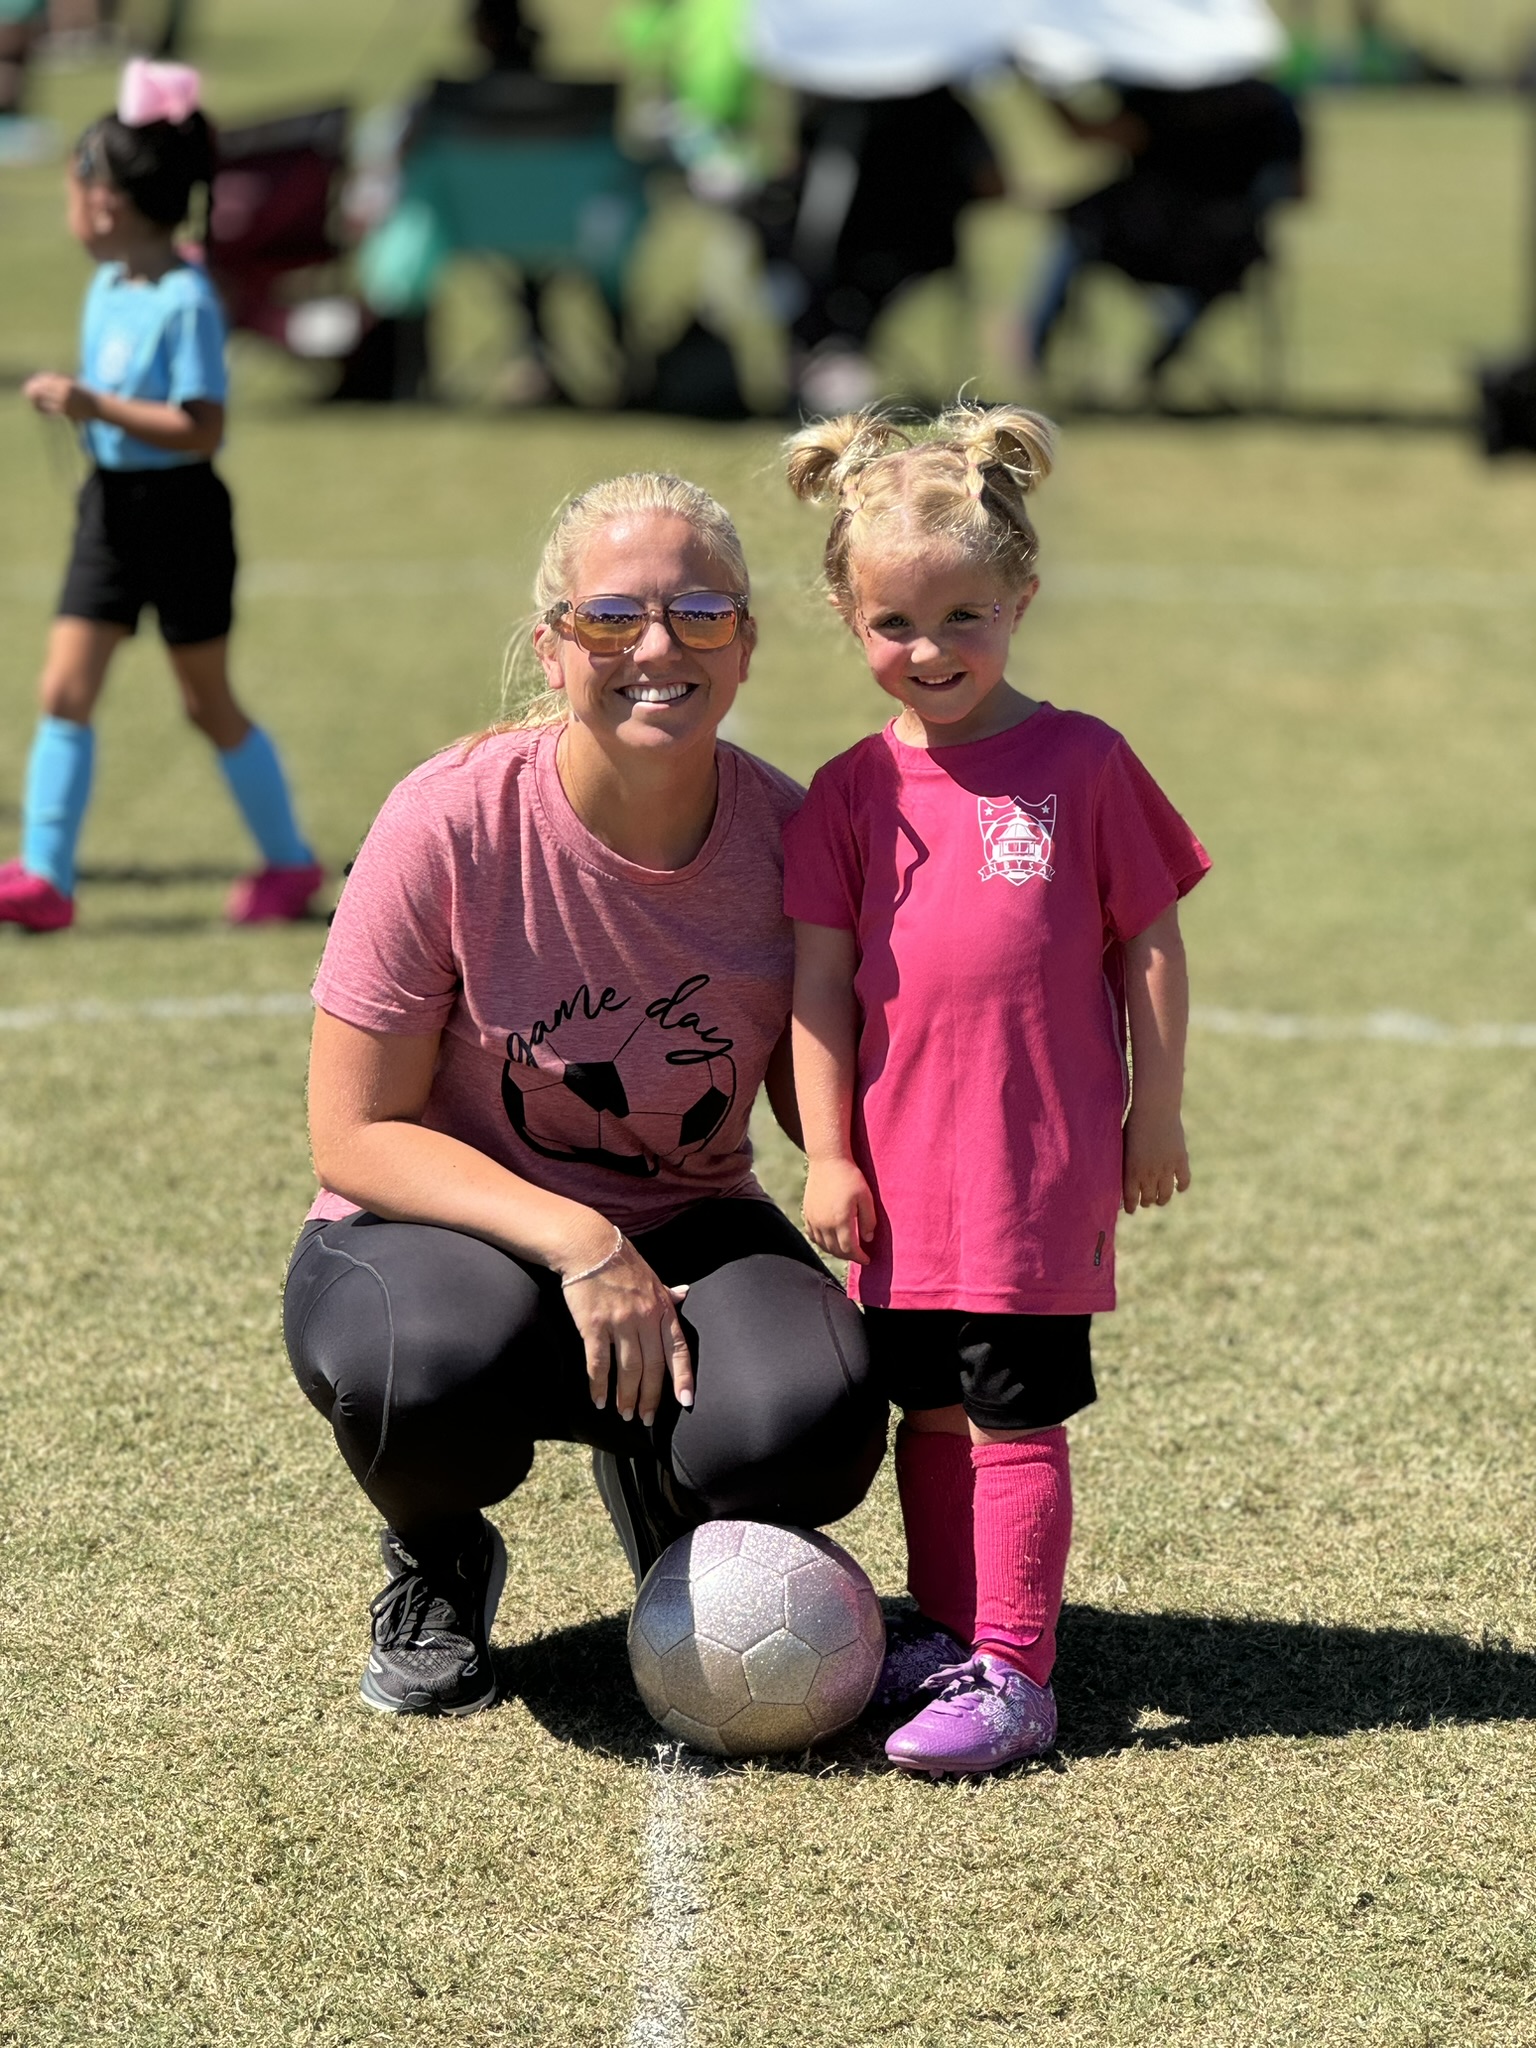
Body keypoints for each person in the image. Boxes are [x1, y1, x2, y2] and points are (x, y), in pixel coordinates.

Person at [283, 470, 886, 1718]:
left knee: (814, 1419)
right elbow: (354, 1131)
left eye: (699, 614)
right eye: (612, 617)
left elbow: (816, 1104)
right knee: (418, 1372)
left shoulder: (794, 836)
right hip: (444, 1228)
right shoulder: (449, 818)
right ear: (553, 646)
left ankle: (666, 1470)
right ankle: (440, 1555)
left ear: (745, 645)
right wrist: (583, 1240)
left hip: (690, 1219)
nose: (657, 648)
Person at [781, 404, 1209, 1775]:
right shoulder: (848, 793)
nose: (932, 649)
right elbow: (819, 988)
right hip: (901, 1180)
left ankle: (1018, 1670)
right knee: (930, 1406)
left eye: (964, 615)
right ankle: (952, 1628)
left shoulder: (1084, 763)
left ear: (1021, 596)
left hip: (1034, 1172)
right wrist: (829, 1155)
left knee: (1014, 1410)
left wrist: (1154, 1109)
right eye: (896, 623)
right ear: (849, 619)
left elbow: (1150, 940)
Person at [1, 60, 322, 934]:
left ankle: (290, 863)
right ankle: (47, 877)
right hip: (109, 512)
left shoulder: (187, 301)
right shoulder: (108, 287)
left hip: (182, 518)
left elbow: (201, 428)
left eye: (74, 190)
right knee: (63, 690)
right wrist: (91, 416)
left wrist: (93, 406)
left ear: (106, 203)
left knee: (205, 702)